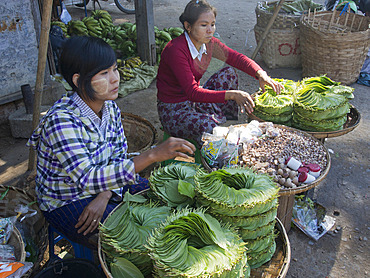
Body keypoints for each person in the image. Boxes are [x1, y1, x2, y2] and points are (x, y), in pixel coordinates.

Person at [27, 36, 195, 248]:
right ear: (79, 81)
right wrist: (152, 155)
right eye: (104, 73)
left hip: (104, 186)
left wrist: (105, 195)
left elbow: (117, 156)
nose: (115, 78)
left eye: (114, 69)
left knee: (165, 198)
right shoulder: (61, 122)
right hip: (67, 199)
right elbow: (87, 178)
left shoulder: (110, 108)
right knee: (134, 238)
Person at [156, 0, 282, 147]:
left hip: (194, 101)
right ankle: (215, 142)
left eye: (212, 24)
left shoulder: (209, 43)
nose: (210, 30)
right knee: (209, 128)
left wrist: (260, 74)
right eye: (204, 25)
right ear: (188, 26)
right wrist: (232, 94)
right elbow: (192, 92)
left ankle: (225, 123)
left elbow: (236, 58)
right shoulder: (175, 50)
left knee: (228, 74)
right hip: (173, 110)